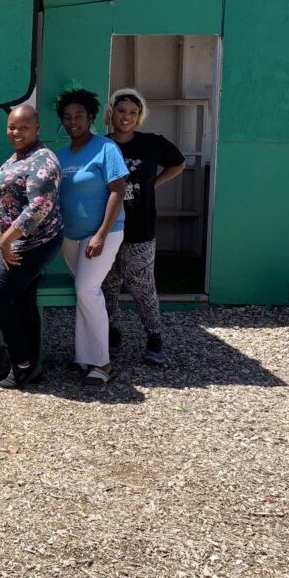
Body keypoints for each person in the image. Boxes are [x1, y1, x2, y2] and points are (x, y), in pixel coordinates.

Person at [0, 105, 64, 389]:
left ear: (37, 127)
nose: (16, 132)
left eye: (23, 127)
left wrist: (5, 240)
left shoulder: (43, 160)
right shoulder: (21, 156)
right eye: (11, 127)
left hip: (29, 244)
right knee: (23, 300)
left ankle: (21, 362)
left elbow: (39, 206)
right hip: (18, 242)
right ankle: (30, 365)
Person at [103, 89, 185, 365]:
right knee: (108, 284)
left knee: (142, 286)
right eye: (121, 110)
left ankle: (154, 337)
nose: (126, 117)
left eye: (133, 112)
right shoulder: (101, 145)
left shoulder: (152, 144)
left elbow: (178, 163)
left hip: (140, 228)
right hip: (107, 228)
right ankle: (112, 333)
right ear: (111, 112)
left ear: (140, 116)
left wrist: (153, 185)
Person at [56, 88, 129, 385]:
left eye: (79, 116)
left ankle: (102, 363)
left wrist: (99, 234)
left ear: (90, 118)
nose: (73, 121)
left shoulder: (106, 148)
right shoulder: (61, 155)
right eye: (67, 117)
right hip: (70, 237)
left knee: (87, 290)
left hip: (104, 234)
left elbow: (118, 191)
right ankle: (84, 356)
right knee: (84, 293)